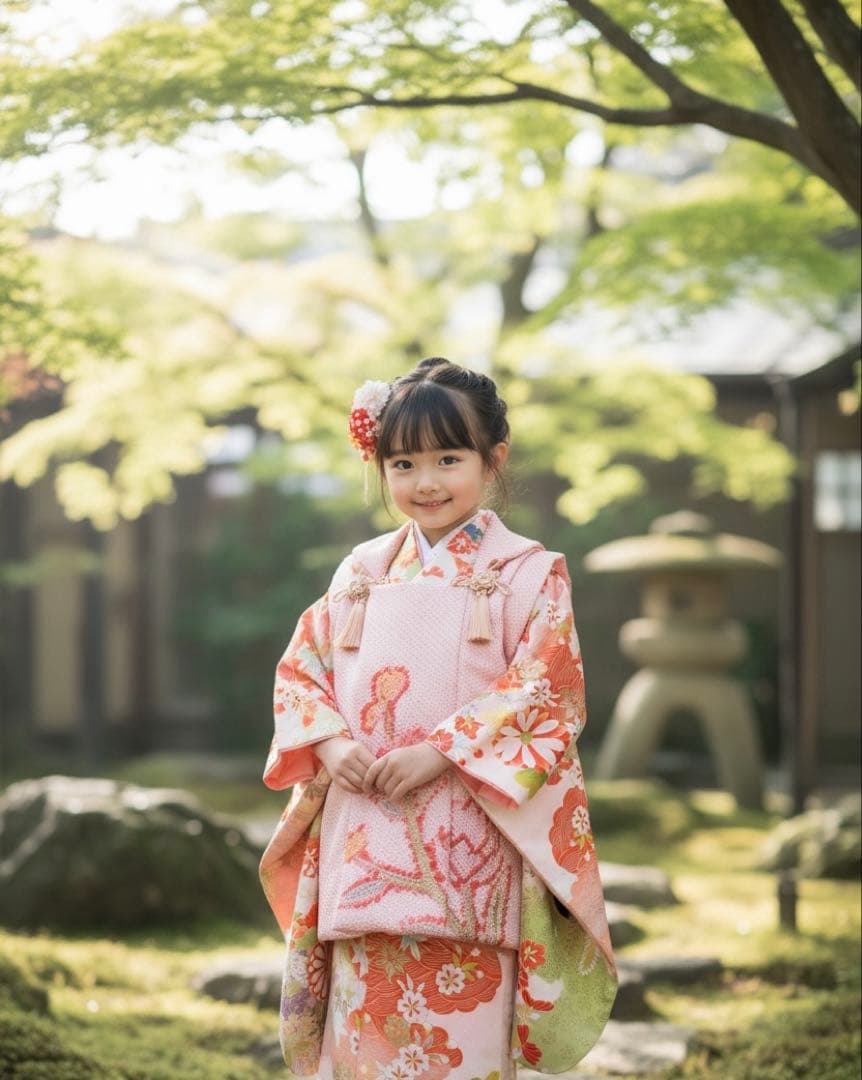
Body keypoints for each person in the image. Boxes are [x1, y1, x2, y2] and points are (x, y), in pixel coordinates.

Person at [259, 357, 618, 1079]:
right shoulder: (360, 572)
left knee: (463, 1035)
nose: (425, 482)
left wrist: (442, 751)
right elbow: (304, 670)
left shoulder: (527, 572)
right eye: (403, 464)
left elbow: (547, 689)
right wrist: (328, 743)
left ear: (493, 459)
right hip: (364, 834)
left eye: (448, 459)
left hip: (470, 840)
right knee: (364, 1027)